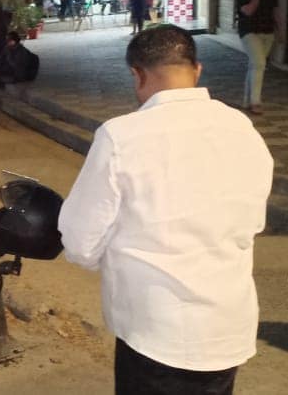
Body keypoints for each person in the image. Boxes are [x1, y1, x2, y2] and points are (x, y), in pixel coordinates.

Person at [57, 25, 273, 395]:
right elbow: (251, 223)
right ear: (197, 70)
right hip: (226, 328)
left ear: (136, 74)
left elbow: (80, 240)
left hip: (154, 331)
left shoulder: (121, 136)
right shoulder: (242, 128)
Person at [237, 0, 281, 115]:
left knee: (255, 65)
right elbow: (248, 11)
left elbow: (275, 10)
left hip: (267, 31)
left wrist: (280, 30)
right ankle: (256, 102)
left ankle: (247, 100)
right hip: (249, 31)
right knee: (259, 64)